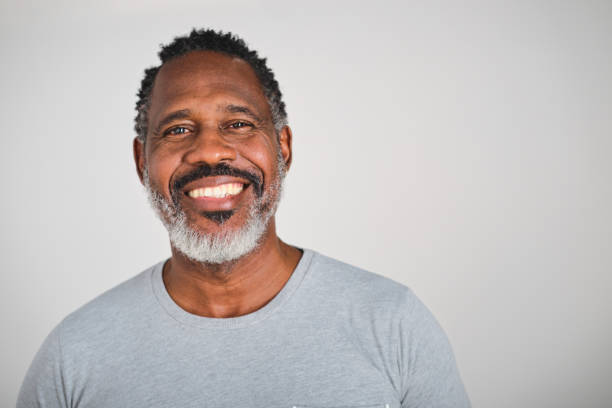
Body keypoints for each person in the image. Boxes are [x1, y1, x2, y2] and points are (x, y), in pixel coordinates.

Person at [17, 29, 470, 408]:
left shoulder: (392, 323)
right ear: (142, 161)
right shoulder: (73, 356)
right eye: (177, 129)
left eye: (238, 123)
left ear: (283, 147)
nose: (210, 150)